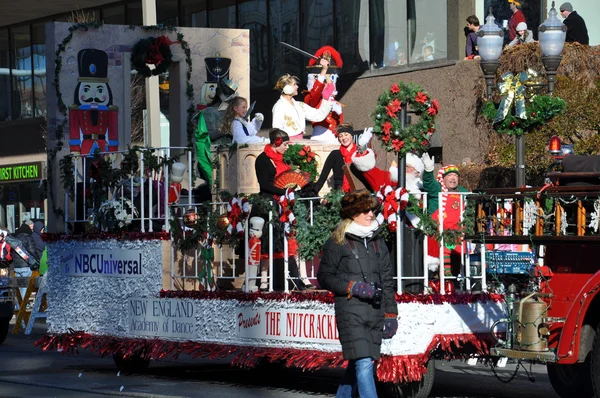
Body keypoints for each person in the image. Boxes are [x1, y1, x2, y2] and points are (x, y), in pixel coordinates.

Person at [317, 190, 398, 398]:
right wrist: (352, 287)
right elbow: (324, 276)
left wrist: (391, 314)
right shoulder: (338, 242)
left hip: (376, 311)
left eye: (372, 210)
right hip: (350, 311)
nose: (371, 214)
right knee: (363, 363)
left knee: (359, 363)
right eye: (366, 210)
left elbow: (387, 282)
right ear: (353, 214)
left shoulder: (378, 241)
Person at [253, 128, 307, 291]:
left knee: (288, 241)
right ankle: (264, 281)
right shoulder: (263, 160)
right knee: (268, 244)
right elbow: (265, 184)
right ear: (276, 143)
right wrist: (285, 191)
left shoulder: (282, 160)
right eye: (284, 144)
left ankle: (293, 278)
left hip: (281, 205)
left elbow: (286, 180)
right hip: (267, 205)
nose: (287, 147)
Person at [421, 153, 469, 277]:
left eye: (455, 176)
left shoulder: (463, 192)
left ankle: (459, 276)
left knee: (461, 252)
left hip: (458, 230)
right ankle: (444, 275)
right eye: (450, 175)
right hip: (438, 230)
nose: (453, 178)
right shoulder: (438, 189)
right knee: (443, 250)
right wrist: (428, 170)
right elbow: (428, 183)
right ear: (443, 178)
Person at [313, 123, 372, 194]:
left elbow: (369, 174)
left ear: (351, 135)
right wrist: (310, 194)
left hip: (359, 194)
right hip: (339, 196)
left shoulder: (359, 153)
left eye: (346, 134)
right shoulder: (335, 154)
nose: (344, 138)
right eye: (341, 136)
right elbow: (322, 179)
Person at [272, 74, 334, 140]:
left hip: (300, 142)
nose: (297, 87)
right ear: (287, 88)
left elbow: (318, 116)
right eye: (294, 84)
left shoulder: (300, 105)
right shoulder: (278, 107)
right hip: (287, 144)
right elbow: (277, 131)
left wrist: (326, 99)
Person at [304, 46, 344, 143]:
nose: (327, 82)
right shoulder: (311, 97)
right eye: (325, 78)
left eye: (330, 78)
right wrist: (323, 71)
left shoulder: (335, 102)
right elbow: (315, 93)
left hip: (334, 138)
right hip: (320, 137)